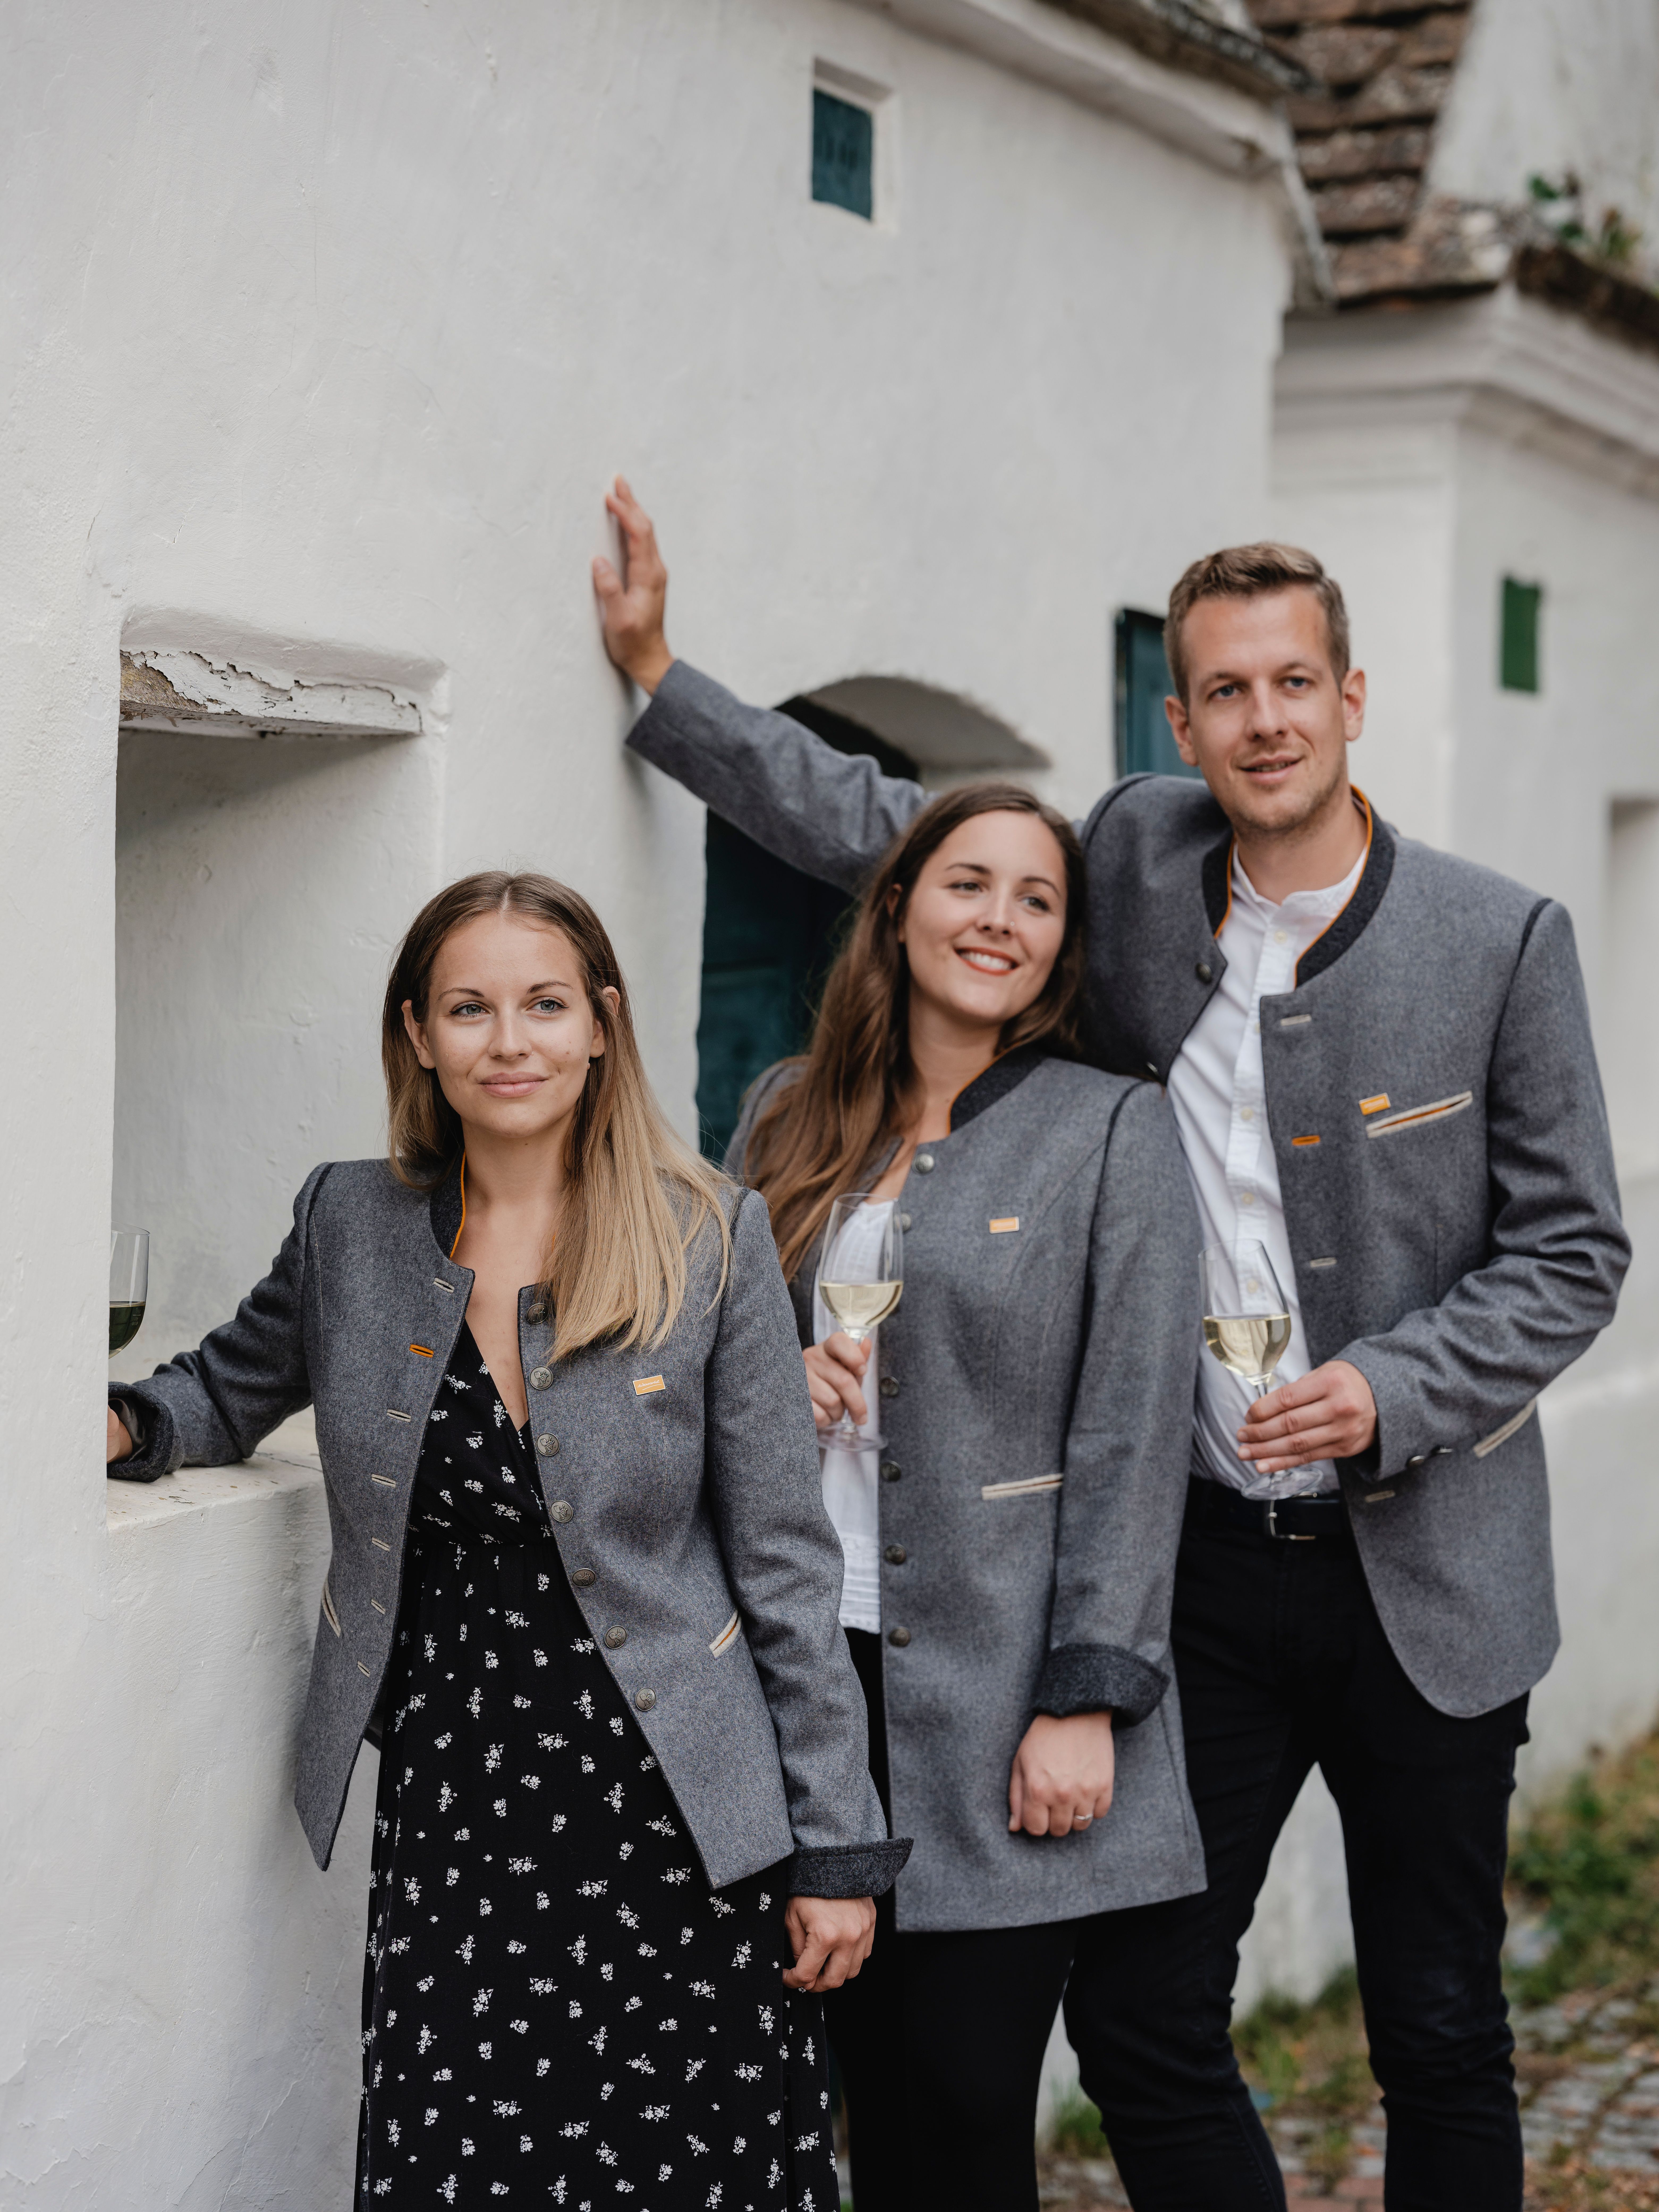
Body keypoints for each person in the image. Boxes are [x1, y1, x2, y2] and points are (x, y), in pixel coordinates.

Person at [593, 481, 1632, 2212]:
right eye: (1226, 690)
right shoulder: (1136, 861)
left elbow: (1576, 1249)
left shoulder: (1500, 938)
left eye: (1293, 683)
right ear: (1183, 718)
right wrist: (659, 680)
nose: (1263, 720)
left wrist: (1397, 1388)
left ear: (1350, 696)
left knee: (1438, 2023)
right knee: (1147, 2014)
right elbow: (901, 842)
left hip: (1431, 1573)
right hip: (1197, 1578)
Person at [107, 870, 908, 2212]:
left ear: (601, 1025)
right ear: (418, 1034)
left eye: (543, 1005)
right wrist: (115, 1425)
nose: (509, 1041)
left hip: (674, 1809)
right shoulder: (348, 1221)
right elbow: (231, 1383)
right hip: (463, 1805)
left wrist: (834, 1852)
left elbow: (783, 1564)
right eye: (469, 1009)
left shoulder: (708, 1234)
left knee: (689, 2171)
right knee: (467, 2163)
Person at [720, 780, 1203, 2212]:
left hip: (1001, 1688)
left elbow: (1133, 1427)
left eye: (1036, 899)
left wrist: (1087, 1693)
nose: (997, 918)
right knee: (841, 2084)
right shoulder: (784, 1117)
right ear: (897, 905)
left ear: (1063, 947)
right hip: (807, 1674)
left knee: (965, 2085)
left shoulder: (1113, 1128)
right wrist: (767, 1381)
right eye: (967, 882)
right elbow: (696, 1370)